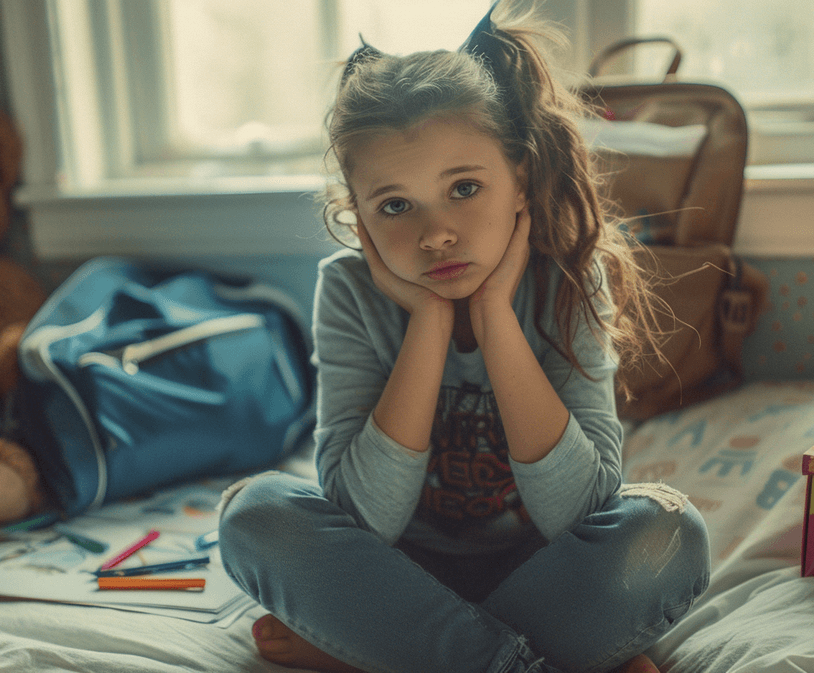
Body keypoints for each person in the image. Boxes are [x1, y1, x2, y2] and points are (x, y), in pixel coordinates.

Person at [218, 4, 710, 672]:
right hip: (394, 572)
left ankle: (380, 649)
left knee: (671, 530)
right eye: (395, 205)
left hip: (542, 568)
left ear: (521, 185)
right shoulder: (348, 290)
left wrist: (495, 315)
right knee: (255, 514)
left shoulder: (568, 278)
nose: (436, 232)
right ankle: (522, 655)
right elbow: (365, 518)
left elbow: (582, 509)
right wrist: (429, 320)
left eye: (465, 188)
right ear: (357, 218)